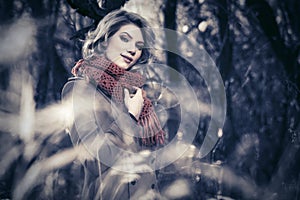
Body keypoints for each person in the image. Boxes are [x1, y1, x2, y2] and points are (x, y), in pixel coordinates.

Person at [61, 9, 173, 200]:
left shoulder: (135, 95)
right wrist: (130, 117)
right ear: (104, 40)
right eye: (125, 39)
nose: (132, 50)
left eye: (139, 45)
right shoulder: (80, 89)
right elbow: (95, 160)